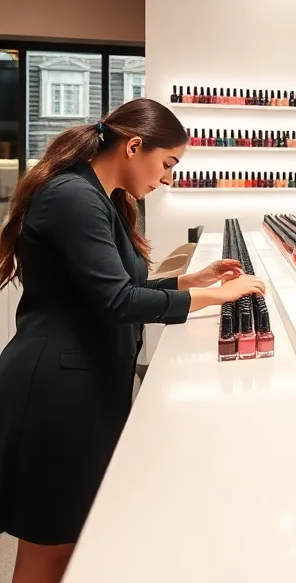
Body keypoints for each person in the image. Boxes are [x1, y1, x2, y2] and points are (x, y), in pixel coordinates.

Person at [0, 99, 266, 583]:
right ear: (134, 145)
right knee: (50, 552)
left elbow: (117, 288)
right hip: (56, 394)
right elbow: (117, 302)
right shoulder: (74, 198)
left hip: (82, 386)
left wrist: (189, 282)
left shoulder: (100, 198)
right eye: (167, 164)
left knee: (71, 545)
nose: (167, 179)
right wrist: (213, 295)